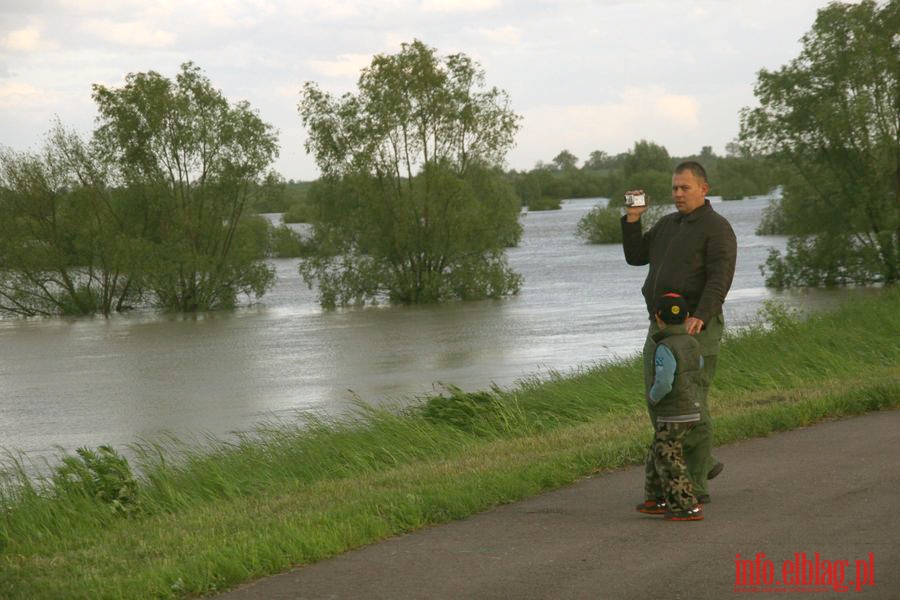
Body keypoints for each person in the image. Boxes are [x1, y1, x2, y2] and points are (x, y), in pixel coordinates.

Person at [621, 161, 737, 502]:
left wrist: (701, 315)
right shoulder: (668, 224)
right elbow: (636, 256)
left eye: (685, 187)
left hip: (694, 327)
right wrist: (632, 219)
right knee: (658, 399)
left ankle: (696, 485)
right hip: (660, 327)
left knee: (690, 402)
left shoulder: (717, 228)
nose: (678, 194)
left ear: (704, 189)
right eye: (674, 188)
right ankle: (696, 464)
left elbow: (720, 277)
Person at [636, 292, 704, 521]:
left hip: (673, 413)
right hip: (692, 408)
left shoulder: (664, 346)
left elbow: (664, 381)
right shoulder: (692, 342)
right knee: (659, 450)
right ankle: (656, 499)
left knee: (670, 457)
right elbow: (699, 366)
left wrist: (653, 397)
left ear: (658, 318)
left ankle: (686, 506)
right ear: (686, 316)